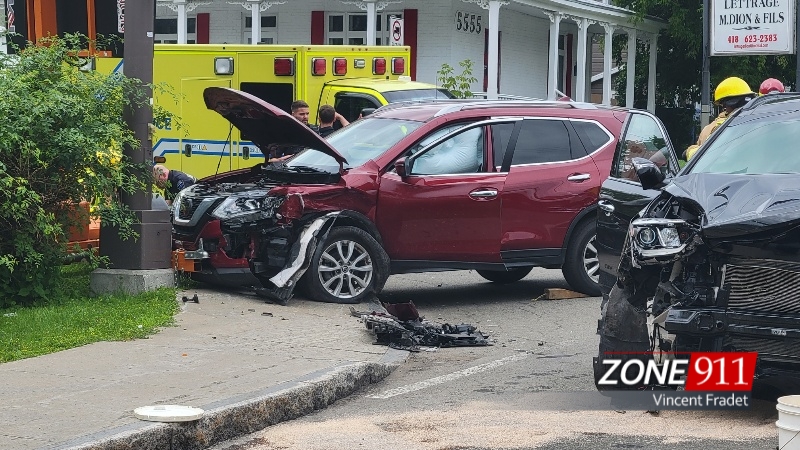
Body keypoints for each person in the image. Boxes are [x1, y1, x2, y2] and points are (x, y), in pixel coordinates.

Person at [684, 76, 755, 161]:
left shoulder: (725, 127)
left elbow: (708, 155)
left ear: (728, 104)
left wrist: (689, 152)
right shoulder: (757, 121)